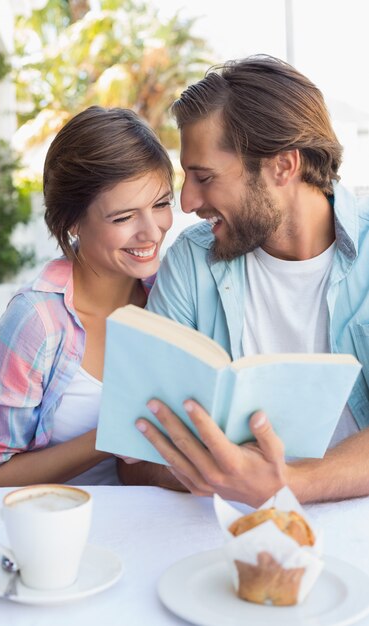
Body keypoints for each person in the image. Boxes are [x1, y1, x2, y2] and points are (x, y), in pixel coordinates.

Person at [118, 55, 369, 506]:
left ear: (283, 167)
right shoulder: (192, 264)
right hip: (223, 531)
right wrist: (221, 473)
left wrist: (289, 483)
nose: (188, 201)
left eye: (204, 177)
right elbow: (136, 457)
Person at [0, 106, 174, 488]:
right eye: (123, 218)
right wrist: (112, 435)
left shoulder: (171, 294)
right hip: (59, 534)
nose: (152, 232)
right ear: (72, 222)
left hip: (155, 527)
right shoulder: (36, 323)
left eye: (161, 204)